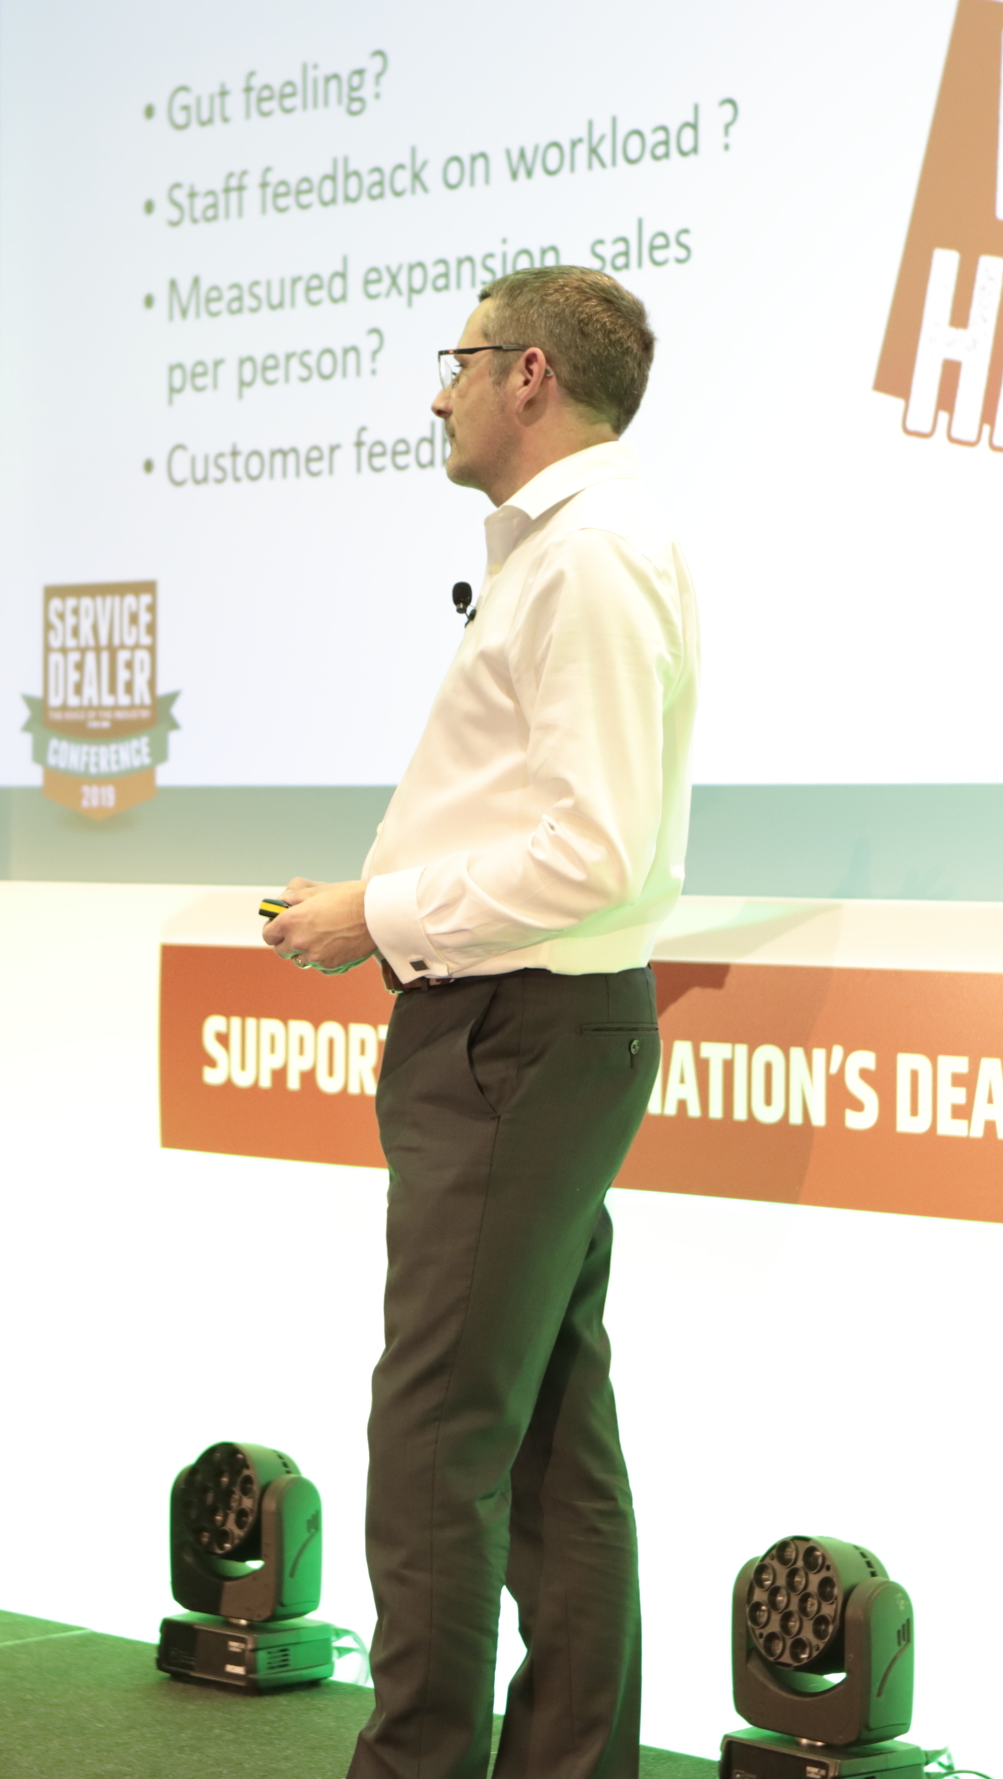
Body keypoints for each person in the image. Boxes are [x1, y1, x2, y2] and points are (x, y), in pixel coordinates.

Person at [263, 268, 698, 1779]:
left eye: (455, 361)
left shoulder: (588, 558)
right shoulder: (573, 551)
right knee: (551, 1443)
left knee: (441, 1438)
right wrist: (380, 907)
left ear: (529, 376)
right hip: (534, 1029)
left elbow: (594, 853)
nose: (434, 392)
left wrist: (377, 914)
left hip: (519, 1032)